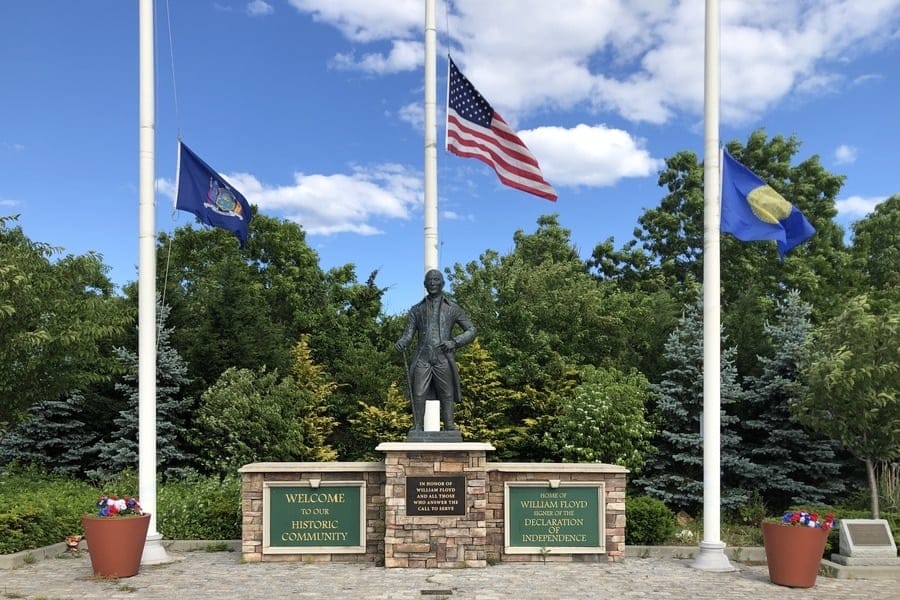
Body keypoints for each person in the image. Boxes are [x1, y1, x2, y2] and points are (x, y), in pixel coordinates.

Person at [395, 269, 476, 432]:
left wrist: (455, 342)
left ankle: (449, 427)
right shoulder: (416, 310)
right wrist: (402, 342)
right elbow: (408, 334)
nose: (432, 283)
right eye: (429, 280)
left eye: (436, 280)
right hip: (422, 358)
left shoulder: (452, 308)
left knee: (447, 394)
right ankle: (417, 426)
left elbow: (471, 330)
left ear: (443, 283)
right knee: (418, 393)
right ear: (425, 284)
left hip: (443, 358)